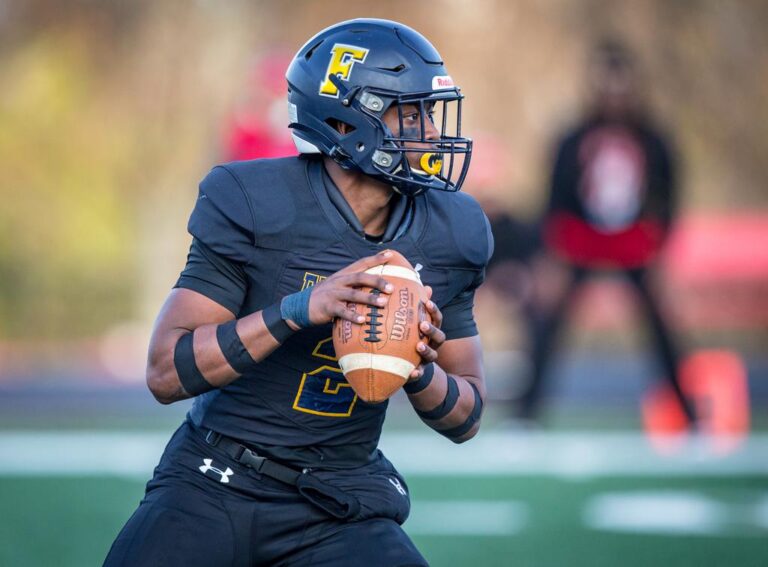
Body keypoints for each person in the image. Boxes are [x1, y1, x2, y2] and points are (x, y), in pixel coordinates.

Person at [105, 18, 492, 567]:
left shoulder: (452, 230)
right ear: (346, 119)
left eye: (430, 112)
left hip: (338, 500)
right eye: (411, 113)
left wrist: (418, 367)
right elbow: (166, 372)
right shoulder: (253, 201)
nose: (430, 131)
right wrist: (298, 310)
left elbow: (468, 417)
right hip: (214, 483)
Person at [519, 39, 696, 425]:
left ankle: (688, 413)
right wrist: (552, 256)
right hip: (579, 241)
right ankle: (526, 412)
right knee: (547, 321)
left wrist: (662, 252)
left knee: (662, 328)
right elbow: (554, 198)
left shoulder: (653, 139)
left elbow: (668, 198)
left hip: (635, 244)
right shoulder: (574, 138)